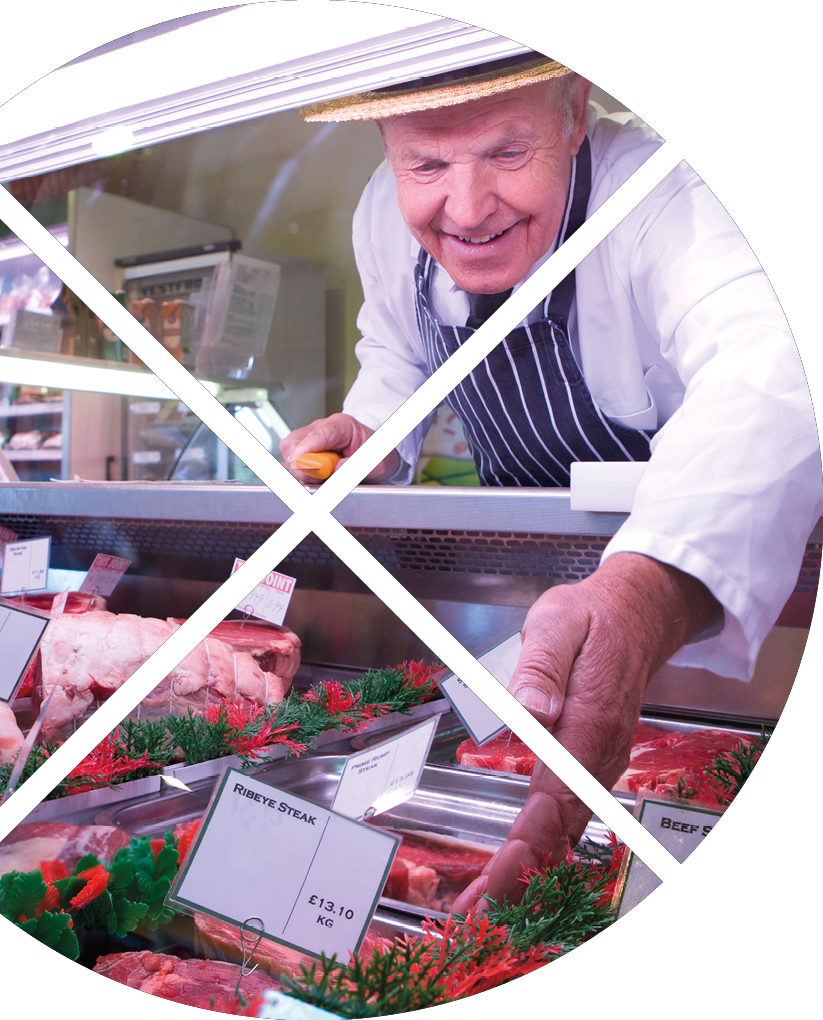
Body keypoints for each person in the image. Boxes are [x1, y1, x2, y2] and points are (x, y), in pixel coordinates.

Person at [280, 53, 823, 911]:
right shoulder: (382, 218)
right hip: (527, 596)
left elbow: (775, 374)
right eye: (424, 165)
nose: (465, 208)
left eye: (505, 152)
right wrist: (373, 433)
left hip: (713, 605)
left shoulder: (669, 198)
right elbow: (395, 357)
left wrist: (642, 599)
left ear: (575, 110)